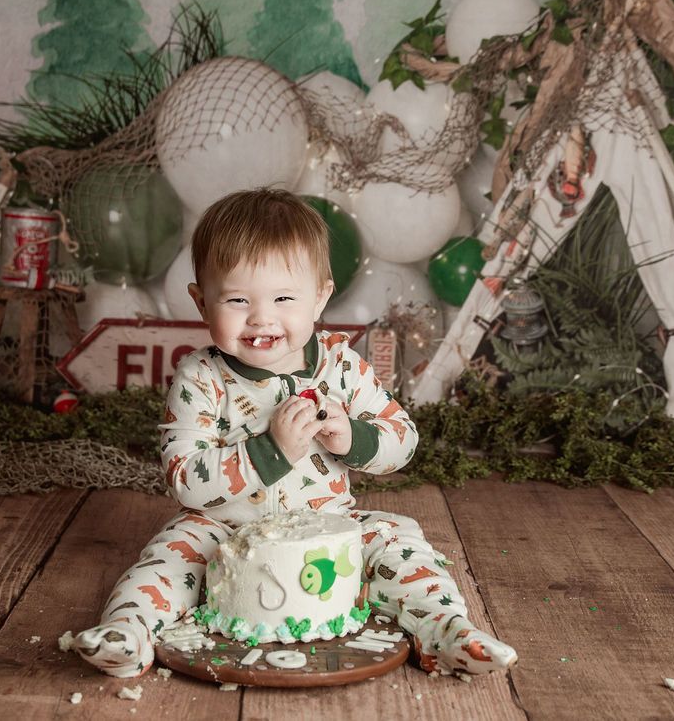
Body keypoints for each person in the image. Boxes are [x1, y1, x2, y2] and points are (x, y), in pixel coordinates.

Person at [73, 187, 517, 678]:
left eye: (284, 298)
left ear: (320, 297)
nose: (262, 317)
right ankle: (129, 632)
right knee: (168, 558)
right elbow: (184, 477)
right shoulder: (201, 378)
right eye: (237, 299)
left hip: (327, 527)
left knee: (399, 542)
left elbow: (403, 439)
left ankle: (444, 630)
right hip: (222, 528)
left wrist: (351, 437)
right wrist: (271, 451)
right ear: (201, 303)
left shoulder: (341, 368)